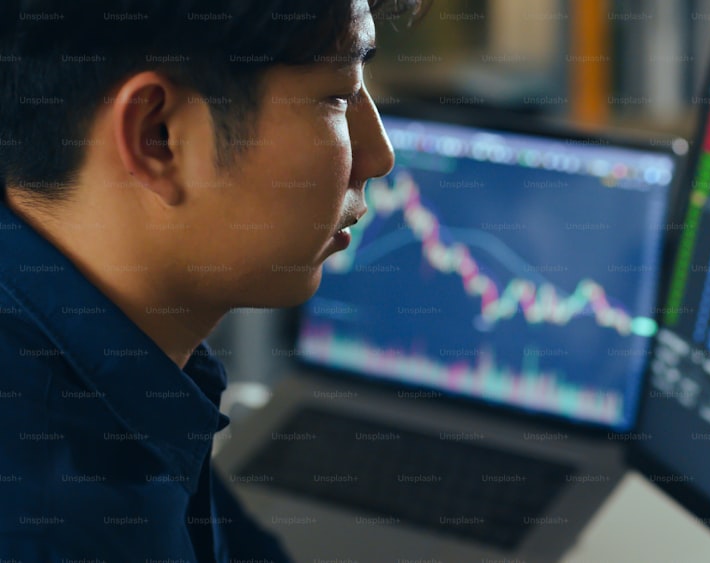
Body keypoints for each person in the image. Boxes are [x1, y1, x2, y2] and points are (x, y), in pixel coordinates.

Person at [0, 0, 425, 559]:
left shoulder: (136, 378)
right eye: (338, 96)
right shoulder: (66, 527)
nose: (378, 155)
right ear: (159, 137)